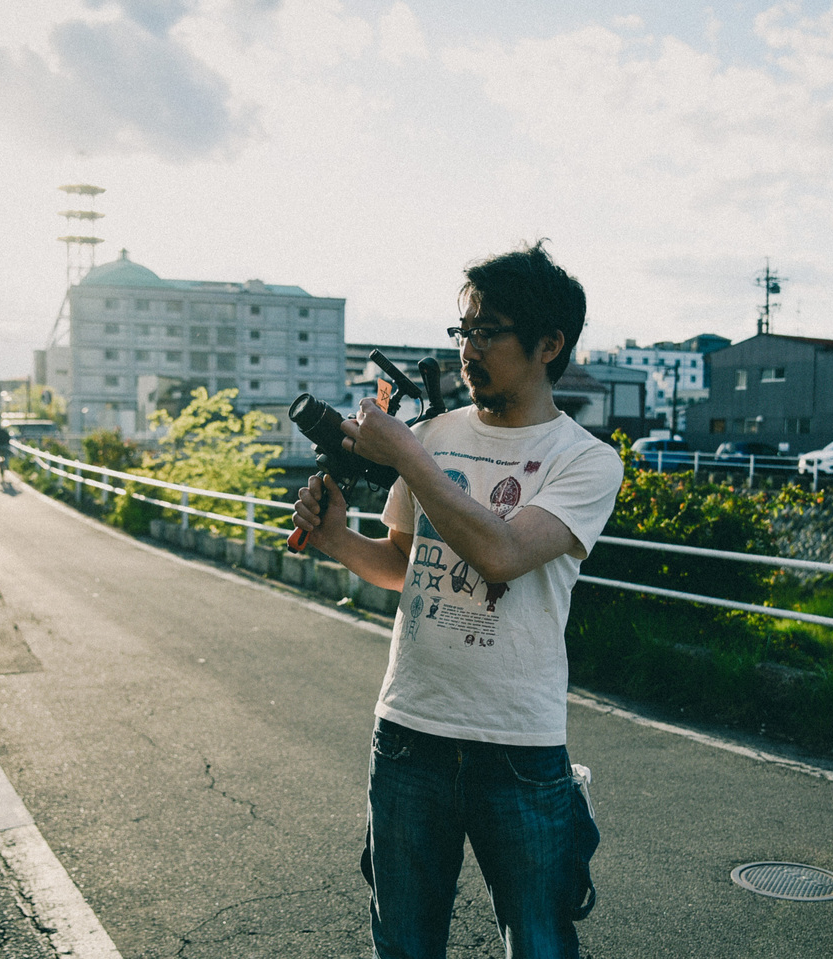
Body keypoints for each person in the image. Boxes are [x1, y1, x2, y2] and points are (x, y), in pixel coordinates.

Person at [292, 240, 624, 959]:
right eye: (463, 329)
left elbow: (502, 553)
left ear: (548, 344)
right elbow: (402, 564)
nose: (468, 349)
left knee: (540, 943)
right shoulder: (435, 434)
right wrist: (336, 538)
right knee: (404, 943)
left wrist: (408, 455)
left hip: (520, 743)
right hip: (409, 730)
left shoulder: (585, 460)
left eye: (488, 331)